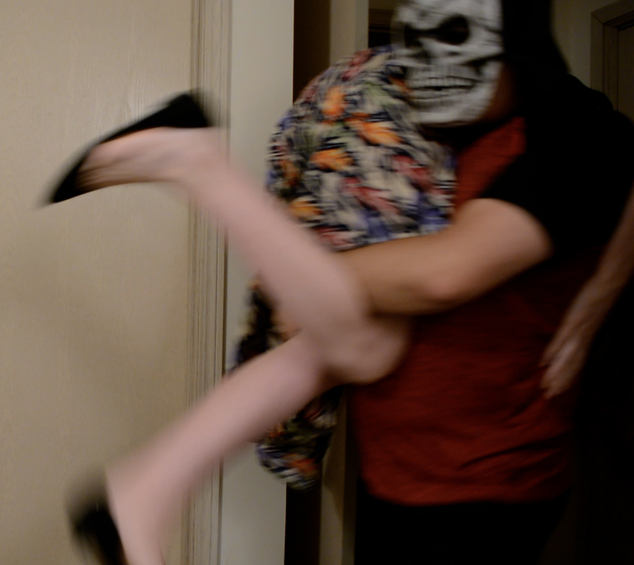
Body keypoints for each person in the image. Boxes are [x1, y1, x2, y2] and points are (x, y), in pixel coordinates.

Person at [63, 0, 634, 563]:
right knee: (363, 343)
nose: (435, 68)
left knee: (360, 342)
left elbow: (446, 274)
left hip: (483, 483)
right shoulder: (415, 113)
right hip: (410, 475)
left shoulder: (574, 129)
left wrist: (606, 286)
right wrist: (309, 284)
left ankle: (143, 491)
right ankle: (194, 162)